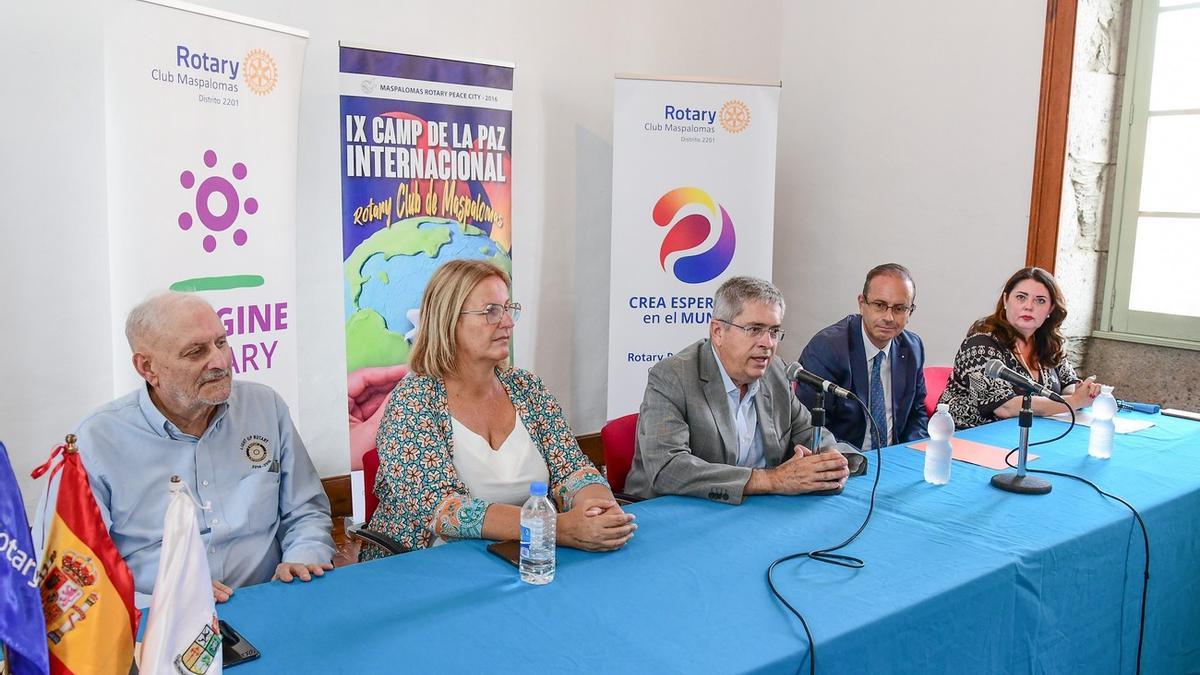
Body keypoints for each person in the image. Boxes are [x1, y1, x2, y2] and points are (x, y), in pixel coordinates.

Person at [36, 292, 334, 606]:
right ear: (147, 367)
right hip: (157, 621)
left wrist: (302, 558)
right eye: (195, 352)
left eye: (221, 342)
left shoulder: (264, 407)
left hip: (267, 600)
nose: (220, 362)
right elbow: (70, 566)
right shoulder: (96, 440)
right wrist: (162, 605)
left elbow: (306, 511)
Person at [361, 260, 635, 556]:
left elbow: (572, 469)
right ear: (448, 320)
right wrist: (555, 528)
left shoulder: (528, 387)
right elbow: (443, 511)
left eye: (508, 308)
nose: (508, 322)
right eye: (491, 311)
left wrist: (598, 508)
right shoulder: (413, 400)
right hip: (428, 568)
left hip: (524, 555)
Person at [624, 276, 865, 504]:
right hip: (674, 512)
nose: (767, 343)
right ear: (718, 332)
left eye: (773, 331)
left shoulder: (776, 372)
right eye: (754, 329)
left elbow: (809, 433)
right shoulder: (672, 376)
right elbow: (669, 468)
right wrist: (772, 480)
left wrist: (831, 461)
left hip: (754, 510)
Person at [940, 267, 1100, 429]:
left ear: (1050, 309)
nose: (1029, 306)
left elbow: (1069, 385)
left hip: (1029, 434)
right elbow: (1005, 407)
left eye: (1040, 300)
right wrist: (1074, 401)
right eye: (1021, 297)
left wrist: (1083, 392)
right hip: (968, 438)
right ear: (1005, 300)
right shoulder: (980, 344)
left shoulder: (1049, 344)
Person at [797, 263, 928, 449]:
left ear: (910, 312)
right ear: (862, 304)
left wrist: (911, 455)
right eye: (880, 305)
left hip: (896, 460)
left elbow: (917, 413)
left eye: (899, 308)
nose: (889, 317)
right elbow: (809, 426)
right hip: (844, 460)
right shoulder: (827, 348)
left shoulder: (913, 348)